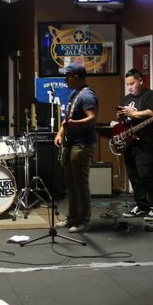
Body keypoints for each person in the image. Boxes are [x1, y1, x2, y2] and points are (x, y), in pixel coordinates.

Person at [53, 63, 98, 233]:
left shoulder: (87, 95)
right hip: (71, 143)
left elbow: (92, 118)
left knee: (80, 184)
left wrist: (74, 124)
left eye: (68, 76)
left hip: (82, 144)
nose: (65, 79)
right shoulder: (74, 94)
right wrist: (60, 133)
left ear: (76, 77)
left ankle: (84, 221)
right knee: (70, 184)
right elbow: (67, 119)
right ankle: (72, 217)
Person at [117, 68, 153, 221]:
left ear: (141, 81)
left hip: (146, 144)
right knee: (134, 176)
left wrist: (133, 113)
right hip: (130, 143)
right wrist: (120, 116)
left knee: (146, 175)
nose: (129, 87)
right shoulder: (126, 99)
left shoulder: (151, 96)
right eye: (127, 84)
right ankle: (141, 206)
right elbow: (123, 119)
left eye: (132, 84)